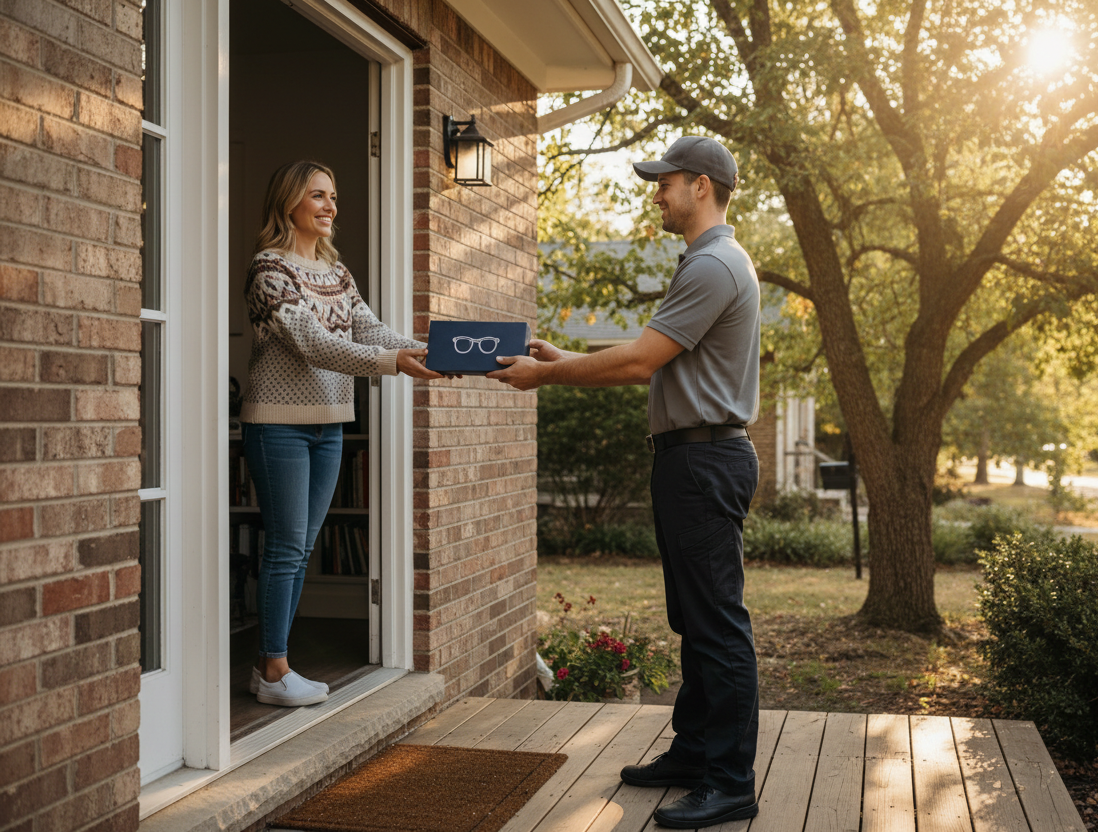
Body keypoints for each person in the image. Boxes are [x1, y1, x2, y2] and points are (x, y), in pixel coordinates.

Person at [490, 136, 762, 829]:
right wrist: (567, 357)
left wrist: (546, 375)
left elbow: (640, 363)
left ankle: (729, 782)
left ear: (702, 185)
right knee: (694, 620)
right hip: (689, 459)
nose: (656, 191)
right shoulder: (705, 263)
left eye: (665, 181)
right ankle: (695, 751)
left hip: (702, 461)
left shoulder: (714, 266)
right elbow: (657, 360)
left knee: (717, 625)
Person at [240, 160, 445, 707]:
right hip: (277, 424)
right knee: (286, 547)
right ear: (290, 203)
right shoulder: (269, 271)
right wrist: (393, 362)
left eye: (333, 196)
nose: (331, 206)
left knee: (301, 547)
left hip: (330, 424)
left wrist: (428, 351)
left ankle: (269, 666)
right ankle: (275, 670)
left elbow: (369, 329)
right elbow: (313, 343)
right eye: (319, 196)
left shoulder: (337, 273)